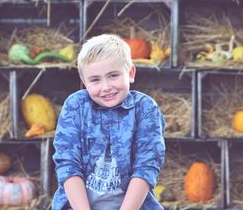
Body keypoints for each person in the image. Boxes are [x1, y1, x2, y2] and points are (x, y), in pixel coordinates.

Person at [52, 34, 166, 210]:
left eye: (113, 76)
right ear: (84, 83)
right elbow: (68, 164)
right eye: (95, 79)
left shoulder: (145, 109)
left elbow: (146, 166)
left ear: (130, 73)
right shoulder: (76, 106)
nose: (106, 87)